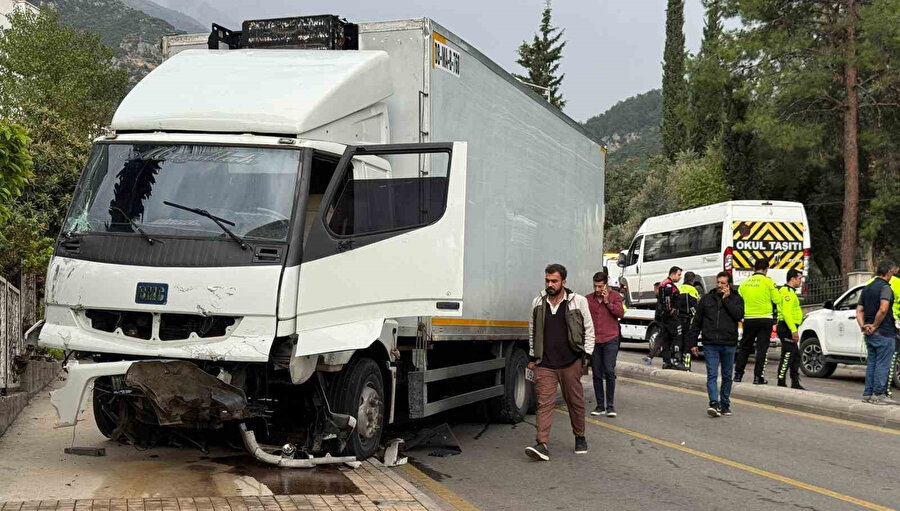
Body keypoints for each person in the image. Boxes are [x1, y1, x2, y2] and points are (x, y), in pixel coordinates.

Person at [526, 263, 595, 460]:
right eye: (547, 280)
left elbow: (589, 328)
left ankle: (580, 436)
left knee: (575, 402)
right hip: (545, 363)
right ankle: (542, 444)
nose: (550, 284)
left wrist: (587, 354)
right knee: (544, 403)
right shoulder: (538, 302)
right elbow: (532, 330)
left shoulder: (577, 301)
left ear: (563, 282)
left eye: (554, 281)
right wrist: (533, 357)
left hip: (570, 361)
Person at [687, 272, 744, 417]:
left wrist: (726, 300)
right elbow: (697, 321)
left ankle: (725, 404)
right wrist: (693, 342)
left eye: (723, 283)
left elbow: (739, 315)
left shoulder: (737, 299)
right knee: (712, 375)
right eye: (718, 282)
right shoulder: (707, 299)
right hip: (710, 343)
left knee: (727, 376)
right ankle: (714, 403)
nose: (719, 285)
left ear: (729, 285)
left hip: (728, 343)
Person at [857, 261, 898, 405]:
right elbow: (883, 309)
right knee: (882, 364)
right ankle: (878, 395)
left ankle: (868, 394)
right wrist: (874, 325)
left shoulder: (867, 288)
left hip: (869, 333)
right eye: (892, 273)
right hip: (884, 332)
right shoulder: (886, 288)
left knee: (872, 363)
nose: (893, 275)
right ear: (888, 273)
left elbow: (859, 310)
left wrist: (864, 326)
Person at [734, 258, 780, 384]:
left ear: (754, 268)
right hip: (765, 319)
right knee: (762, 349)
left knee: (744, 348)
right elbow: (777, 300)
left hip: (748, 319)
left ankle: (738, 375)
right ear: (766, 270)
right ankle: (757, 377)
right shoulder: (768, 282)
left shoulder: (744, 283)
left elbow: (738, 301)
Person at [587, 271, 625, 418]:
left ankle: (610, 406)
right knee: (596, 373)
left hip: (610, 339)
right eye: (595, 286)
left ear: (606, 284)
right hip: (594, 341)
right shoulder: (588, 299)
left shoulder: (615, 296)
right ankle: (599, 405)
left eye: (600, 286)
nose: (597, 290)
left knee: (609, 371)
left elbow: (620, 314)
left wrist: (608, 301)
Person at [776, 269, 805, 389]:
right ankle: (781, 381)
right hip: (787, 327)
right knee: (787, 355)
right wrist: (793, 330)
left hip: (789, 326)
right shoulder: (787, 292)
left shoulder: (789, 291)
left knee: (796, 355)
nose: (801, 281)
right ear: (792, 279)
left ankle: (795, 382)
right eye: (799, 278)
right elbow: (787, 313)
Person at [655, 267, 687, 370]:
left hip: (664, 317)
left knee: (666, 339)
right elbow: (668, 301)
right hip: (670, 317)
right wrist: (671, 310)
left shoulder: (664, 283)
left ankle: (666, 362)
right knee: (677, 336)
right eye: (679, 274)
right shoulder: (668, 285)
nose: (680, 277)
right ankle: (676, 361)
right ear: (673, 274)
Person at [678, 272, 701, 370]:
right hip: (688, 320)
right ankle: (687, 366)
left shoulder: (679, 288)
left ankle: (677, 362)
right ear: (693, 280)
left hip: (678, 320)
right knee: (688, 344)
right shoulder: (693, 290)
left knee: (679, 342)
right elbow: (694, 307)